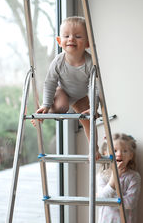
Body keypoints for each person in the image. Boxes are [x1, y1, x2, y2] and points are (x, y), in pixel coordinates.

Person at [33, 16, 100, 158]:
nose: (71, 39)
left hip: (81, 95)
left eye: (78, 36)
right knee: (60, 107)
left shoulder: (90, 62)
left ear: (87, 43)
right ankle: (43, 112)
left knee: (89, 119)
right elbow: (50, 82)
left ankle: (94, 148)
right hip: (63, 91)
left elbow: (94, 87)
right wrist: (46, 104)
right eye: (66, 36)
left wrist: (94, 107)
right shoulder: (58, 61)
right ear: (59, 41)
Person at [97, 133, 141, 223]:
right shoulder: (102, 176)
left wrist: (108, 199)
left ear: (131, 156)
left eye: (124, 151)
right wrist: (113, 180)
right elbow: (101, 200)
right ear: (106, 153)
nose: (119, 154)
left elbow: (130, 203)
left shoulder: (133, 177)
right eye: (115, 150)